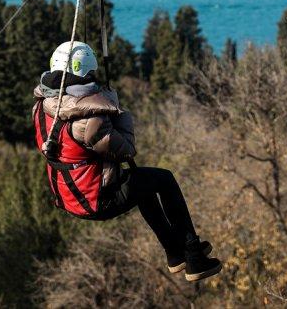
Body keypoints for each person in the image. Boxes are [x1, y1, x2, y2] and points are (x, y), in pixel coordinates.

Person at [32, 41, 222, 282]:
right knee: (164, 179)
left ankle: (175, 253)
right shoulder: (87, 121)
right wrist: (118, 112)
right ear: (87, 73)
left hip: (69, 195)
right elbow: (126, 151)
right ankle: (194, 256)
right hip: (96, 200)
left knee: (143, 185)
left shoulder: (41, 107)